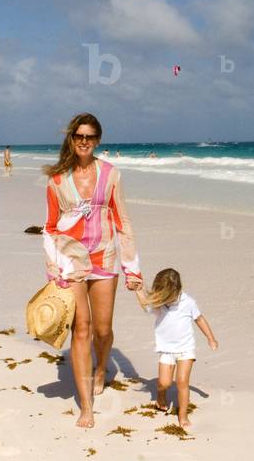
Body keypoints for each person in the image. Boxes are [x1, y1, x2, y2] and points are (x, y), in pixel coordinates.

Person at [41, 113, 142, 429]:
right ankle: (87, 406)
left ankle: (101, 370)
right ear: (71, 139)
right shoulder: (57, 181)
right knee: (80, 329)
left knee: (102, 330)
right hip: (71, 263)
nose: (84, 141)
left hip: (105, 258)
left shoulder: (111, 174)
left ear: (97, 139)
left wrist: (132, 268)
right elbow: (50, 226)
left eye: (90, 136)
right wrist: (53, 267)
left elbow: (122, 221)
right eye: (78, 136)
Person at [134, 268, 217, 430]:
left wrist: (210, 338)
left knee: (182, 382)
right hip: (166, 350)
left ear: (176, 291)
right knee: (164, 383)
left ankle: (183, 415)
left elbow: (199, 319)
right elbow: (145, 305)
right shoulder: (160, 303)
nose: (164, 299)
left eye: (167, 297)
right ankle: (161, 397)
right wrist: (138, 290)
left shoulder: (188, 302)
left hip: (186, 349)